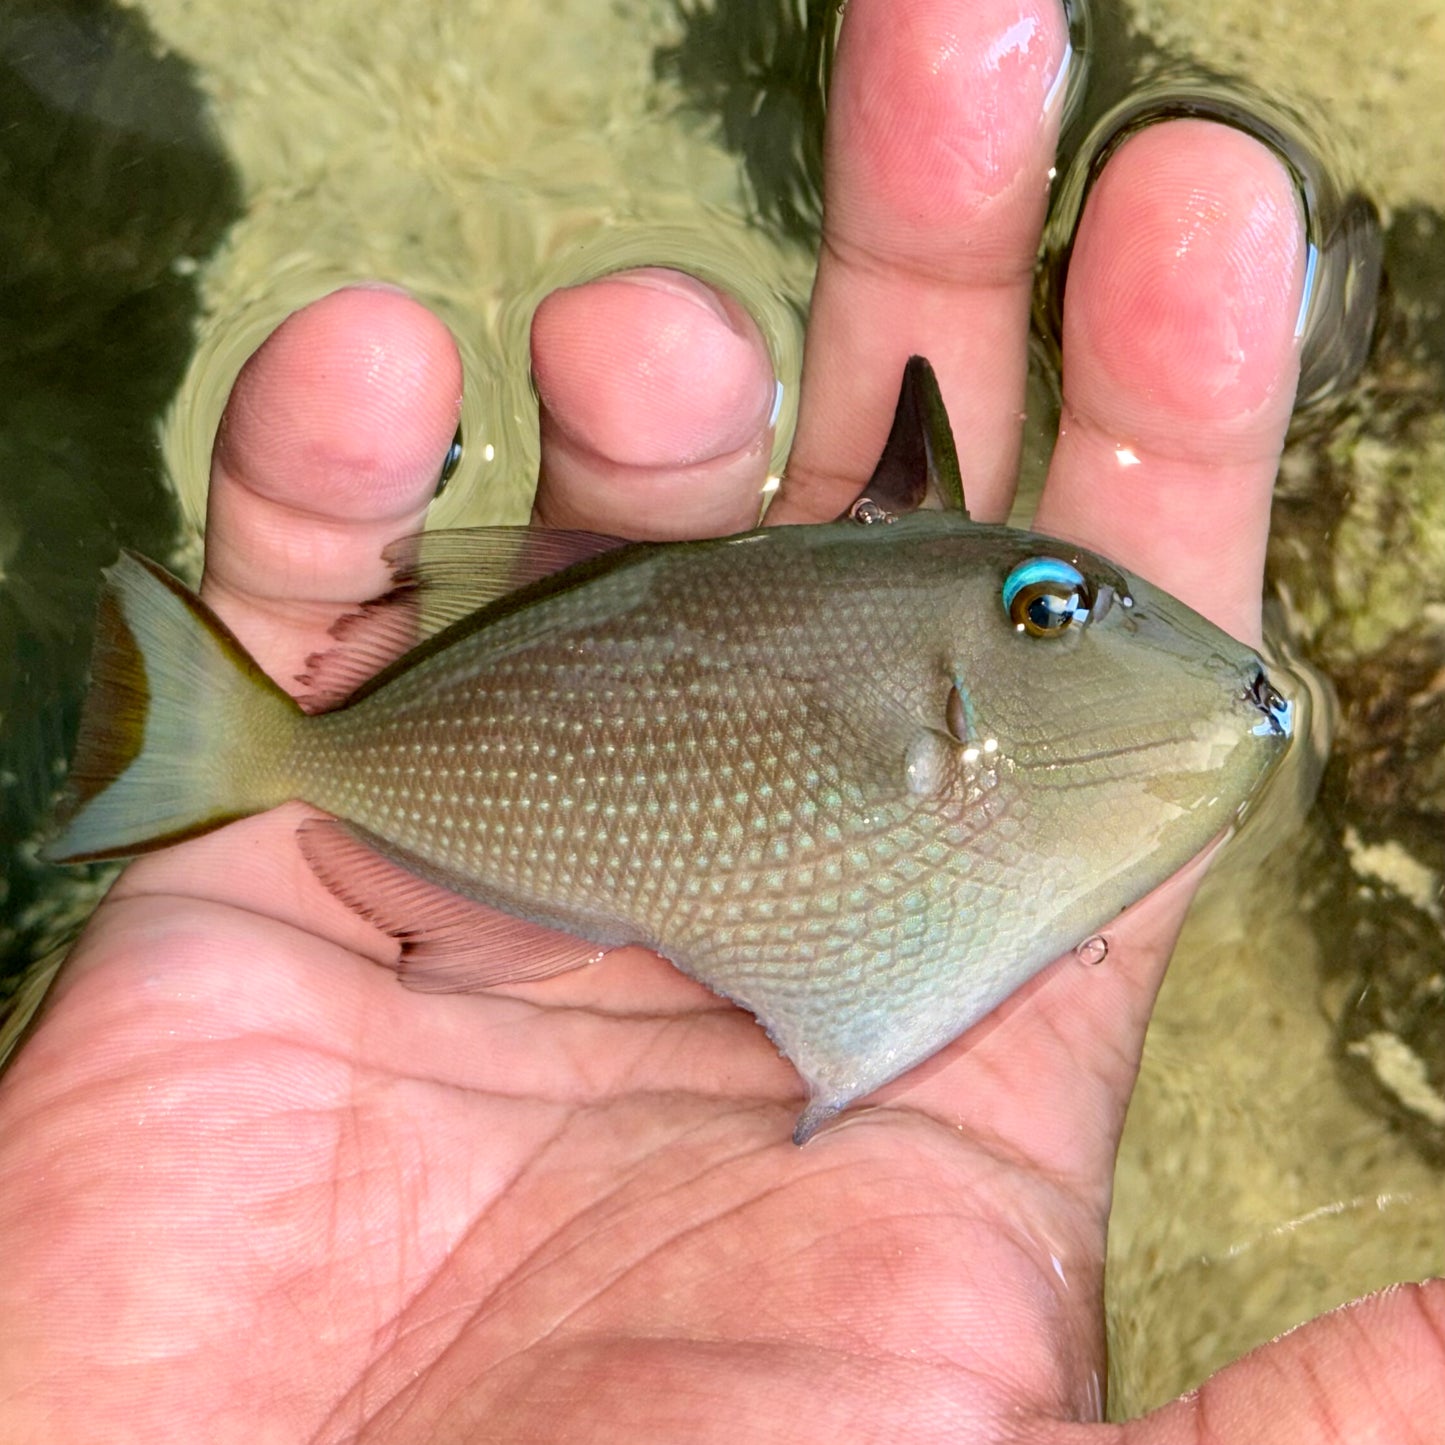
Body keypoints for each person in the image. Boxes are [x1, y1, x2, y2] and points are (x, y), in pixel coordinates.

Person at [1, 0, 1439, 1438]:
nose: (1070, 619)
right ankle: (229, 743)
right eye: (1049, 605)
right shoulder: (951, 691)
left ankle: (227, 744)